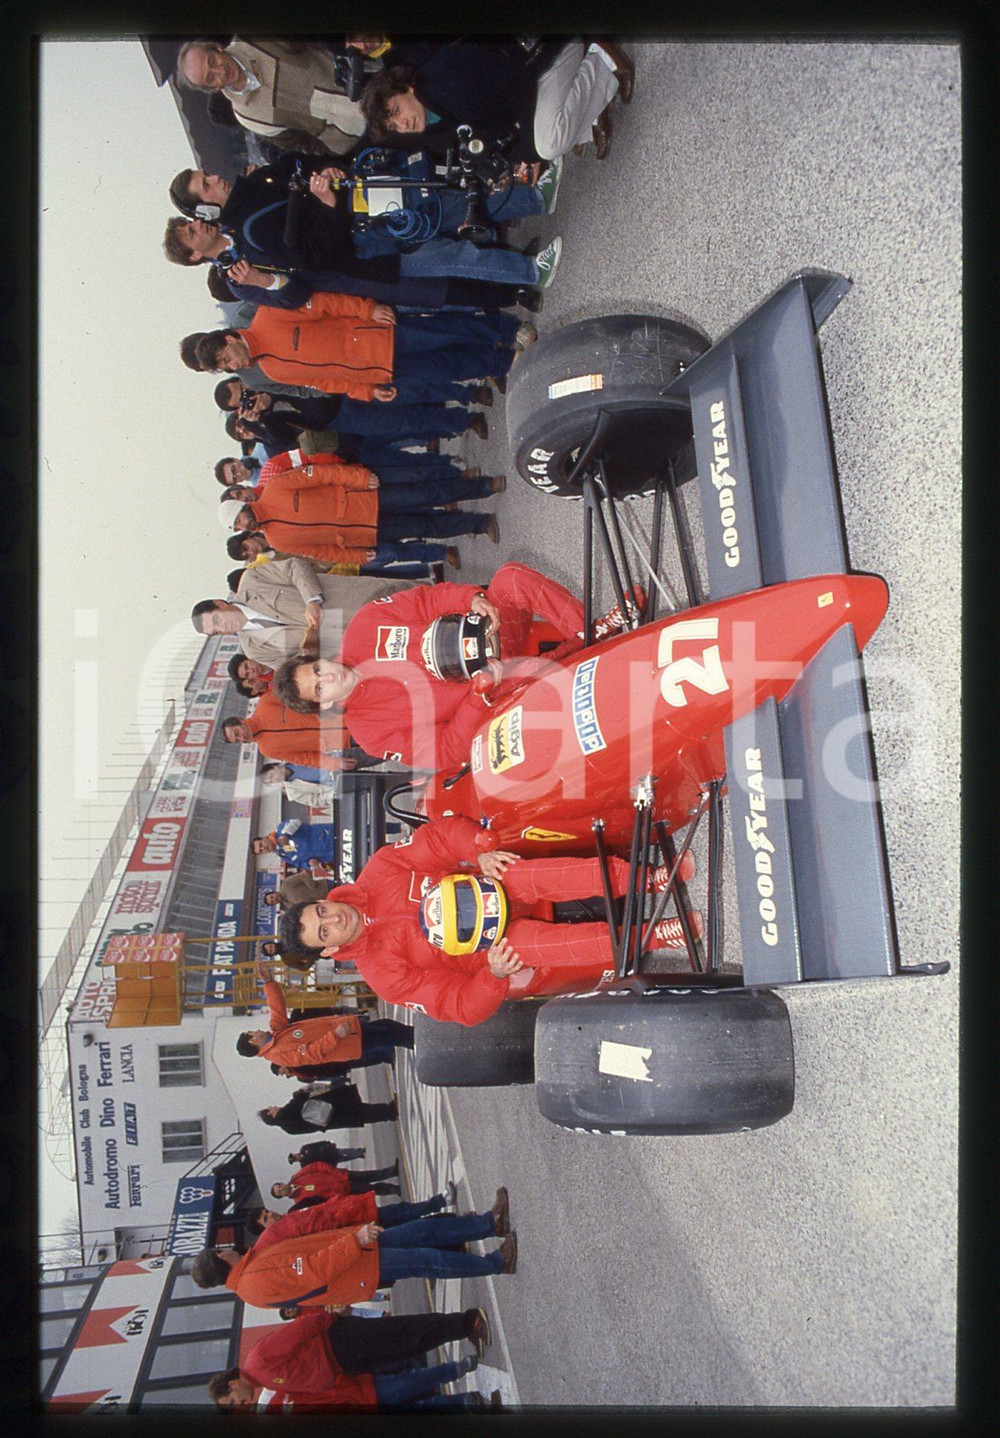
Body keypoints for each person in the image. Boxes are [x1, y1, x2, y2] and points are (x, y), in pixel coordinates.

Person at [280, 813, 696, 1026]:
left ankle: (652, 879)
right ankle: (657, 935)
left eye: (322, 911)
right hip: (492, 949)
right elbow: (458, 1006)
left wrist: (477, 850)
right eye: (324, 931)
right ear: (329, 950)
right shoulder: (384, 978)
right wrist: (493, 976)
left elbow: (437, 839)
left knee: (520, 874)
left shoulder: (380, 869)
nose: (334, 918)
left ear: (321, 900)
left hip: (489, 884)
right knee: (530, 947)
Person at [274, 561, 641, 771]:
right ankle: (597, 639)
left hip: (493, 634)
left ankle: (591, 631)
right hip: (494, 698)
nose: (329, 675)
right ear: (324, 703)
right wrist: (478, 696)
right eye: (320, 687)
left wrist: (473, 599)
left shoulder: (363, 626)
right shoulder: (371, 734)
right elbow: (447, 751)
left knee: (509, 578)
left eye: (317, 669)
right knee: (521, 682)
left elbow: (427, 600)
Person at [166, 150, 552, 302]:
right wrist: (329, 207)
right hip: (371, 249)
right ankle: (532, 271)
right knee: (456, 257)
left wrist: (328, 170)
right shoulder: (251, 237)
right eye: (206, 186)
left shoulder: (257, 181)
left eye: (207, 175)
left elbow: (302, 165)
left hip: (372, 201)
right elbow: (311, 257)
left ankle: (535, 198)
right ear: (205, 210)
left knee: (456, 204)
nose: (216, 179)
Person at [191, 298, 532, 405]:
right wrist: (368, 391)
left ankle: (508, 329)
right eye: (225, 367)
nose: (232, 365)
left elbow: (325, 304)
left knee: (446, 331)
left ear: (229, 339)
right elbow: (326, 382)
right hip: (378, 372)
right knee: (448, 368)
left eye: (225, 358)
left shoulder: (268, 315)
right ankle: (504, 362)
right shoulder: (271, 372)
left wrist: (367, 309)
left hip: (379, 334)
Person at [361, 37, 634, 163]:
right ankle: (592, 114)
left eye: (395, 111)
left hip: (545, 52)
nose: (403, 123)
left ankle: (600, 59)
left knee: (548, 144)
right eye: (394, 126)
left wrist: (525, 151)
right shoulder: (433, 118)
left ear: (406, 88)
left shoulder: (442, 81)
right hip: (532, 77)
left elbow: (518, 88)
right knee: (536, 144)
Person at [192, 1205, 518, 1307]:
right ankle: (496, 1262)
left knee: (421, 1233)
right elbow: (314, 1270)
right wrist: (355, 1240)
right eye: (222, 1251)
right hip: (357, 1263)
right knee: (429, 1259)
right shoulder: (253, 1277)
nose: (228, 1249)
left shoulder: (250, 1277)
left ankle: (489, 1224)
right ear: (222, 1259)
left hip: (358, 1252)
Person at [222, 451, 501, 565]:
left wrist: (359, 478)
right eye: (237, 528)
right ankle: (479, 523)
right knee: (426, 527)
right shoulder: (277, 540)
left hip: (366, 498)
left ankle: (483, 486)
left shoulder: (275, 487)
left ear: (241, 507)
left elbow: (322, 474)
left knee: (426, 494)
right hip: (364, 534)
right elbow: (321, 552)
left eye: (238, 519)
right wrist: (356, 556)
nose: (242, 525)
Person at [207, 1301, 492, 1410]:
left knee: (407, 1333)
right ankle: (461, 1328)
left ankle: (469, 1322)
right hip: (347, 1363)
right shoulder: (266, 1382)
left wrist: (333, 1318)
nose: (241, 1403)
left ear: (232, 1384)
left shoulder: (258, 1360)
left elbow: (300, 1330)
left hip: (341, 1342)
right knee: (409, 1346)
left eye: (234, 1400)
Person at [192, 555, 408, 668]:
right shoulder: (254, 651)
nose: (223, 628)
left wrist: (312, 600)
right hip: (366, 642)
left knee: (420, 599)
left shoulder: (253, 581)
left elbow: (295, 566)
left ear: (220, 603)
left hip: (362, 599)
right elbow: (294, 668)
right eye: (216, 632)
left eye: (217, 620)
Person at [176, 38, 367, 156]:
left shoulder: (254, 38)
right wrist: (338, 145)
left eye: (212, 61)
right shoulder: (247, 118)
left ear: (217, 48)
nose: (221, 71)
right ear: (212, 88)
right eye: (211, 78)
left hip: (368, 81)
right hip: (361, 136)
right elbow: (299, 143)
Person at [213, 375, 489, 451]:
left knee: (409, 391)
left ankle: (468, 393)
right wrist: (262, 417)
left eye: (243, 390)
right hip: (339, 419)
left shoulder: (265, 376)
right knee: (404, 422)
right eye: (242, 402)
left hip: (343, 389)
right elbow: (285, 441)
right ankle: (465, 421)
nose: (248, 398)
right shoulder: (263, 420)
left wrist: (269, 393)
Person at [236, 960, 413, 1069]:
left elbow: (277, 1008)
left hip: (348, 1030)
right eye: (252, 1033)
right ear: (253, 1041)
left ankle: (422, 1040)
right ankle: (426, 1042)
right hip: (347, 1039)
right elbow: (312, 1054)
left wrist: (268, 982)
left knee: (389, 1026)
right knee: (397, 1035)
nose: (257, 1031)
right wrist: (335, 1035)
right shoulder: (279, 1054)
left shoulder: (276, 1034)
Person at [248, 1181, 464, 1246]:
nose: (271, 1215)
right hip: (360, 1225)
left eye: (267, 1212)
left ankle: (451, 1215)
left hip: (358, 1212)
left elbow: (322, 1206)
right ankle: (442, 1203)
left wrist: (341, 1202)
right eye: (266, 1219)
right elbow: (327, 1227)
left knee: (404, 1213)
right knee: (409, 1223)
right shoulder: (292, 1235)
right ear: (265, 1231)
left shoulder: (293, 1213)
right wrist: (346, 1213)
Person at [220, 690, 360, 770]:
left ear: (240, 720)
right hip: (344, 739)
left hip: (342, 711)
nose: (241, 738)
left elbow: (300, 692)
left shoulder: (265, 703)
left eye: (237, 733)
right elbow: (304, 758)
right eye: (237, 740)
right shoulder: (267, 750)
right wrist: (333, 763)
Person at [258, 1081, 398, 1135]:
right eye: (271, 1108)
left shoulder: (287, 1128)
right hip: (328, 1109)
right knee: (359, 1110)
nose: (273, 1107)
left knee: (359, 1115)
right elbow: (299, 1100)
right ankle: (388, 1111)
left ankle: (387, 1114)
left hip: (326, 1120)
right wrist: (299, 1093)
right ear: (270, 1114)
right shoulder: (284, 1114)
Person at [273, 1156, 401, 1204]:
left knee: (368, 1175)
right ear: (282, 1196)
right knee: (370, 1189)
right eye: (279, 1191)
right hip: (343, 1190)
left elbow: (316, 1166)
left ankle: (391, 1171)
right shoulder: (300, 1200)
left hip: (341, 1176)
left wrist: (333, 1171)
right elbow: (321, 1203)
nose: (282, 1188)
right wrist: (337, 1197)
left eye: (279, 1185)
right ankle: (394, 1189)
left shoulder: (297, 1176)